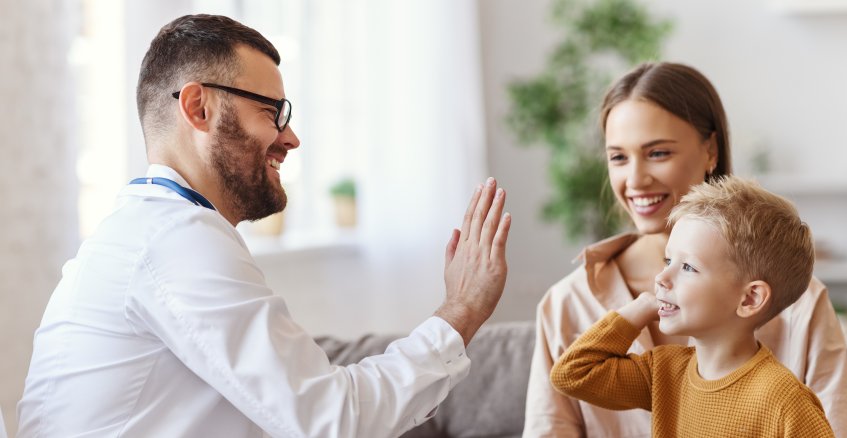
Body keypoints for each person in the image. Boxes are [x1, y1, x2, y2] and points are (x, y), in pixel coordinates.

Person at [17, 14, 512, 438]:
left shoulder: (149, 228)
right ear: (198, 107)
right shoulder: (175, 237)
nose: (290, 137)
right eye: (271, 112)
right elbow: (331, 419)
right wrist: (463, 309)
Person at [523, 62, 847, 437]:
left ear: (711, 151)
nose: (635, 179)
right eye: (618, 157)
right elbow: (568, 386)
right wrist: (637, 310)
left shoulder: (801, 302)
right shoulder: (566, 304)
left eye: (658, 153)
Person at [551, 176, 834, 437]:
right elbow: (572, 374)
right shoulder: (664, 372)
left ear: (749, 299)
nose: (661, 278)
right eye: (667, 261)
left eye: (687, 266)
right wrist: (636, 311)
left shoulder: (785, 401)